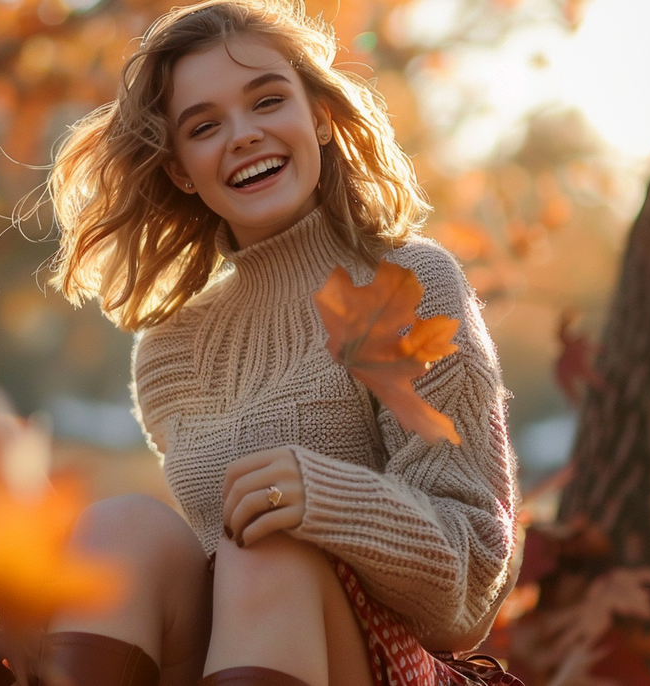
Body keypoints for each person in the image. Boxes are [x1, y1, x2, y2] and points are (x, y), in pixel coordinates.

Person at [34, 0, 520, 683]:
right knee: (121, 528)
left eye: (268, 101)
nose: (243, 135)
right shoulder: (170, 349)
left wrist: (327, 500)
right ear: (180, 169)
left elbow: (470, 590)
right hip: (244, 652)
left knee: (267, 548)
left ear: (319, 117)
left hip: (387, 665)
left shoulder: (407, 284)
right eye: (204, 126)